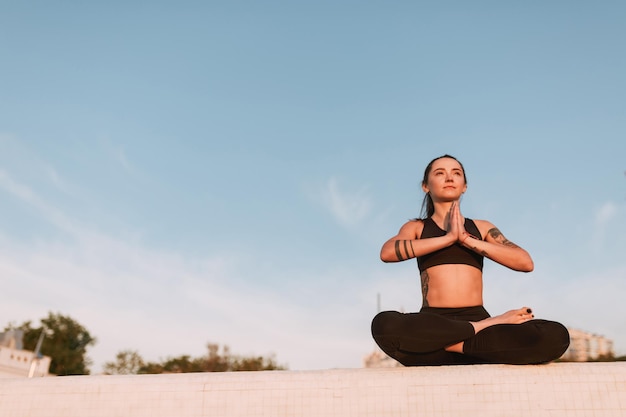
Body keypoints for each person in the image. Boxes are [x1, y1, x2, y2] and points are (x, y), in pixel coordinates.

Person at [371, 154, 570, 366]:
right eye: (440, 173)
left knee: (556, 336)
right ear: (425, 186)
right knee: (384, 325)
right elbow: (387, 252)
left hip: (472, 331)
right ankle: (471, 334)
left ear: (464, 186)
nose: (449, 177)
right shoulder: (417, 228)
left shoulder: (482, 228)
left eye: (456, 173)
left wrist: (466, 239)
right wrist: (448, 238)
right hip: (434, 325)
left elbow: (525, 262)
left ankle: (456, 343)